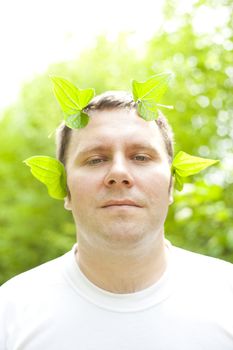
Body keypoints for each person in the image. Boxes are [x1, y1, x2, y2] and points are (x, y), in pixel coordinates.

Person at [0, 91, 232, 349]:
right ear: (66, 190)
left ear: (170, 185)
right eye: (96, 159)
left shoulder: (227, 298)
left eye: (141, 157)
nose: (119, 173)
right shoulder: (10, 314)